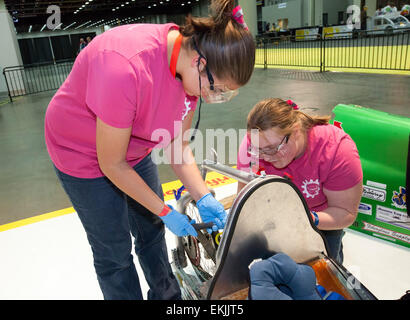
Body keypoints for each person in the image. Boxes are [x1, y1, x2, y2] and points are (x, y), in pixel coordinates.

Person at [44, 0, 255, 300]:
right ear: (200, 62)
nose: (213, 97)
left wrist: (203, 195)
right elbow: (112, 164)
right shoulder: (125, 67)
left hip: (134, 146)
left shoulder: (189, 72)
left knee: (151, 230)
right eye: (217, 88)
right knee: (115, 252)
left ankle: (166, 297)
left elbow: (177, 147)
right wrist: (164, 209)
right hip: (82, 153)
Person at [236, 98, 363, 264]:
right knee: (277, 267)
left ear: (295, 131)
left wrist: (307, 219)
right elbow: (244, 196)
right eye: (259, 151)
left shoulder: (337, 151)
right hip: (277, 215)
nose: (265, 157)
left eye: (273, 149)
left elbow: (345, 212)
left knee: (327, 267)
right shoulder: (254, 144)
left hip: (324, 219)